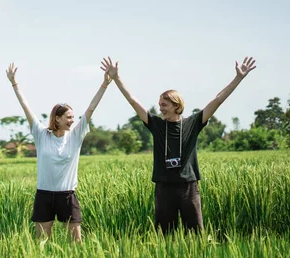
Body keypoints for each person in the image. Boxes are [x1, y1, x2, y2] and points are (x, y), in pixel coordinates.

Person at [102, 56, 257, 234]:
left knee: (195, 234)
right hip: (163, 188)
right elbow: (133, 101)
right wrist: (116, 78)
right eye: (159, 105)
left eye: (164, 105)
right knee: (165, 235)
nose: (160, 108)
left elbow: (217, 100)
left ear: (177, 105)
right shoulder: (157, 125)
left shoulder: (192, 124)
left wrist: (238, 78)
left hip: (188, 188)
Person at [5, 61, 111, 242]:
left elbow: (91, 108)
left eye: (73, 117)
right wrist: (14, 83)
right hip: (44, 195)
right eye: (68, 117)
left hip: (67, 196)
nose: (72, 120)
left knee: (76, 243)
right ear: (57, 118)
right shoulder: (41, 135)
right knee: (42, 244)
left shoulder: (75, 135)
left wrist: (105, 84)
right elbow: (26, 108)